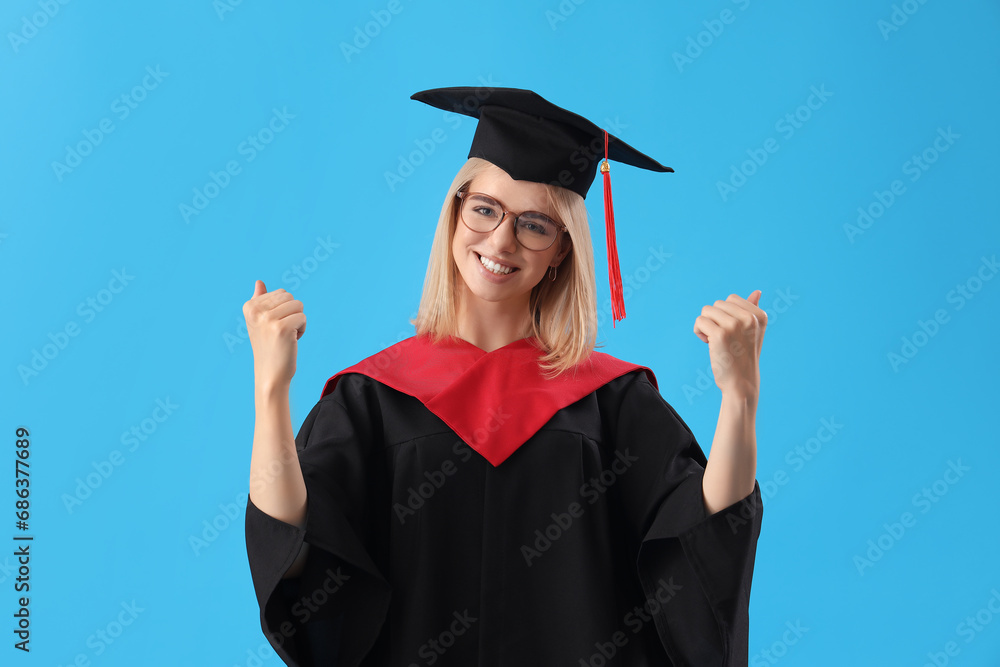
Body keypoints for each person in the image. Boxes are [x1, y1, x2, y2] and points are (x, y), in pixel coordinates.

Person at [243, 86, 766, 666]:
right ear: (455, 211)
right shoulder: (373, 398)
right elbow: (292, 546)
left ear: (562, 250)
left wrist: (739, 396)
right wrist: (272, 390)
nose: (500, 240)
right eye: (485, 209)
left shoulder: (611, 401)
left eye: (535, 224)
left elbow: (704, 529)